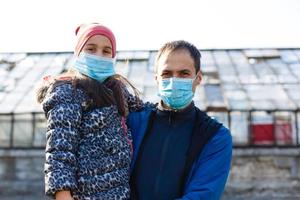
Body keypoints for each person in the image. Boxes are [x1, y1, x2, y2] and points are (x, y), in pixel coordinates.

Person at [36, 23, 143, 200]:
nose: (99, 56)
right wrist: (63, 195)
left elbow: (143, 109)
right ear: (78, 53)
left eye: (106, 51)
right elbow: (60, 153)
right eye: (91, 49)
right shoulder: (68, 92)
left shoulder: (117, 89)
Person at [127, 40, 232, 200]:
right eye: (166, 74)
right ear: (156, 79)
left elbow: (204, 194)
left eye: (184, 73)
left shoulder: (215, 136)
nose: (174, 80)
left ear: (198, 78)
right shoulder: (134, 122)